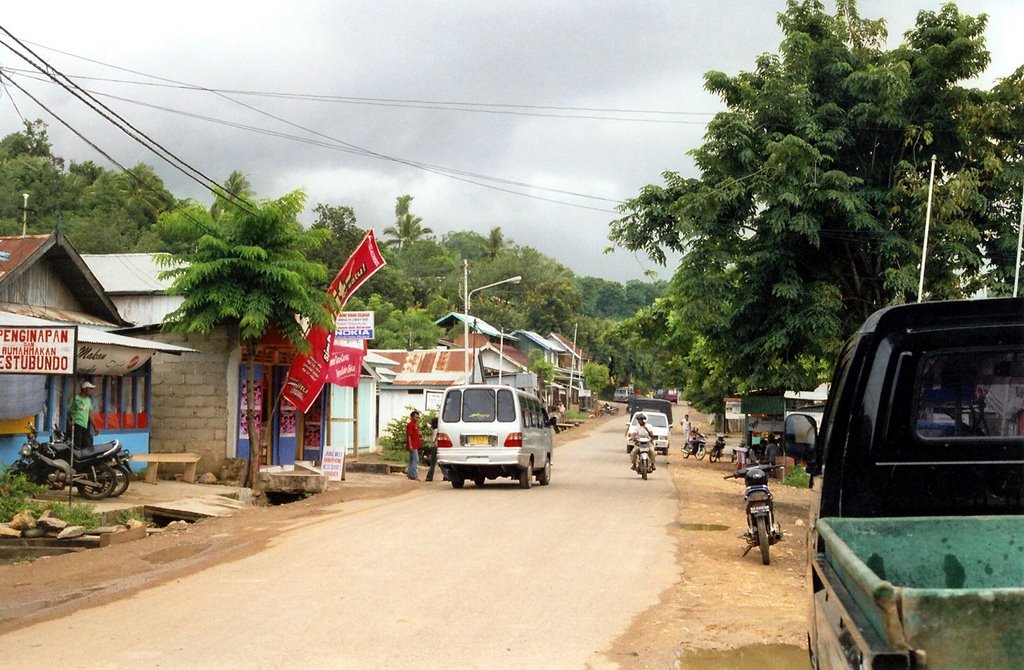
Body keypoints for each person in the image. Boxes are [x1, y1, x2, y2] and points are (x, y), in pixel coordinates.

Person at [67, 380, 97, 451]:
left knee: (86, 445)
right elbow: (67, 410)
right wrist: (69, 422)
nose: (90, 391)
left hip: (84, 425)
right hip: (76, 424)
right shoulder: (75, 398)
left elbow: (90, 414)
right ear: (84, 389)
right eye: (89, 389)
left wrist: (95, 426)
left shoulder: (88, 400)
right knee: (77, 444)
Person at [405, 410, 422, 480]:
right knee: (415, 460)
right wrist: (410, 445)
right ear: (412, 417)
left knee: (411, 460)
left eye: (418, 417)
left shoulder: (415, 425)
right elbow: (409, 435)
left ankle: (410, 474)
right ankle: (414, 475)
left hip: (415, 444)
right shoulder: (410, 425)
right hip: (413, 445)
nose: (417, 419)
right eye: (416, 417)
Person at [425, 416, 441, 482]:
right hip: (441, 447)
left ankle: (429, 476)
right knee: (441, 462)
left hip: (435, 446)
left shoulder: (435, 430)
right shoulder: (440, 429)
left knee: (432, 463)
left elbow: (433, 440)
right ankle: (446, 475)